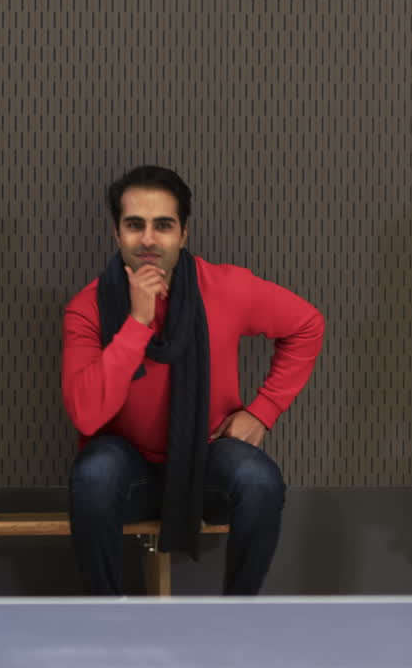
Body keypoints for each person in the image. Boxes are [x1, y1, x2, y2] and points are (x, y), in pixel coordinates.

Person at [63, 165, 325, 595]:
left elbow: (307, 325)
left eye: (162, 225)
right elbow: (87, 415)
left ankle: (235, 622)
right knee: (93, 476)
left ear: (184, 233)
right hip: (127, 471)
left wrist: (263, 412)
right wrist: (137, 322)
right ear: (116, 233)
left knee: (260, 482)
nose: (148, 240)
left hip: (206, 460)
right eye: (135, 226)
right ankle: (105, 621)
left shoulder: (226, 287)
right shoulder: (87, 307)